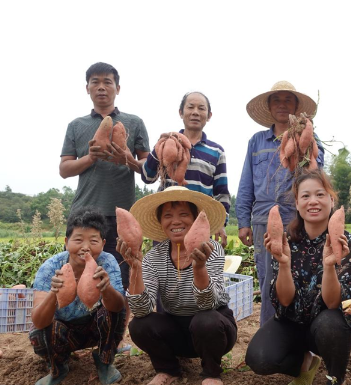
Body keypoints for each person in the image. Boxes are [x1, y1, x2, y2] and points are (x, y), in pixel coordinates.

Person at [246, 170, 351, 385]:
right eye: (305, 196)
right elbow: (285, 300)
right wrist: (284, 263)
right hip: (293, 321)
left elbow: (334, 302)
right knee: (259, 359)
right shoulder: (285, 240)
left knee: (331, 326)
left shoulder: (348, 243)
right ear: (297, 204)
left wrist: (329, 266)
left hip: (329, 323)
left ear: (331, 199)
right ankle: (304, 363)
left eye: (320, 194)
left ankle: (336, 378)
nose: (313, 201)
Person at [117, 186, 236, 385]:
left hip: (215, 329)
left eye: (183, 214)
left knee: (206, 320)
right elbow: (141, 309)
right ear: (161, 222)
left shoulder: (211, 248)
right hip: (176, 329)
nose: (176, 221)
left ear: (195, 219)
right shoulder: (154, 257)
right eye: (168, 216)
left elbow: (209, 304)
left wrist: (199, 268)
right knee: (139, 325)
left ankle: (211, 373)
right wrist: (135, 268)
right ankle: (168, 369)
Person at [59, 62, 150, 302]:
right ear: (87, 88)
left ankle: (117, 338)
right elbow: (64, 169)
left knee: (122, 278)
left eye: (107, 82)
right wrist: (90, 158)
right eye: (95, 82)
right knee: (79, 278)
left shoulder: (134, 122)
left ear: (117, 88)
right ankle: (82, 331)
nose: (101, 87)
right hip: (84, 215)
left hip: (123, 218)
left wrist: (127, 159)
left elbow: (150, 170)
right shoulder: (76, 126)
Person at [237, 81, 325, 326]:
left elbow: (318, 179)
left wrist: (303, 144)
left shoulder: (311, 139)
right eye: (277, 99)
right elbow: (246, 183)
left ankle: (300, 334)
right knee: (267, 280)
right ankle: (270, 335)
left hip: (298, 218)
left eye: (288, 99)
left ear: (297, 107)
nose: (282, 104)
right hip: (264, 220)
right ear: (269, 106)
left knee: (301, 276)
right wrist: (243, 221)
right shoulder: (257, 141)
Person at [29, 207, 126, 385]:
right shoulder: (51, 267)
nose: (85, 248)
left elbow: (117, 306)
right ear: (66, 242)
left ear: (103, 243)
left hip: (95, 327)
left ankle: (104, 361)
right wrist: (53, 293)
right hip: (64, 333)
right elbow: (39, 320)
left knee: (118, 308)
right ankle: (58, 367)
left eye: (93, 241)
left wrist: (106, 289)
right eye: (78, 240)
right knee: (38, 332)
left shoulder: (107, 262)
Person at [141, 91, 230, 247]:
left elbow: (221, 191)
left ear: (209, 115)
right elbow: (147, 177)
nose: (195, 112)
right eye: (190, 107)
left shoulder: (216, 151)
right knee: (164, 268)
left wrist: (222, 223)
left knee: (198, 267)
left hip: (200, 222)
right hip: (168, 222)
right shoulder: (168, 143)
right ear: (181, 113)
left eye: (201, 108)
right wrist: (159, 147)